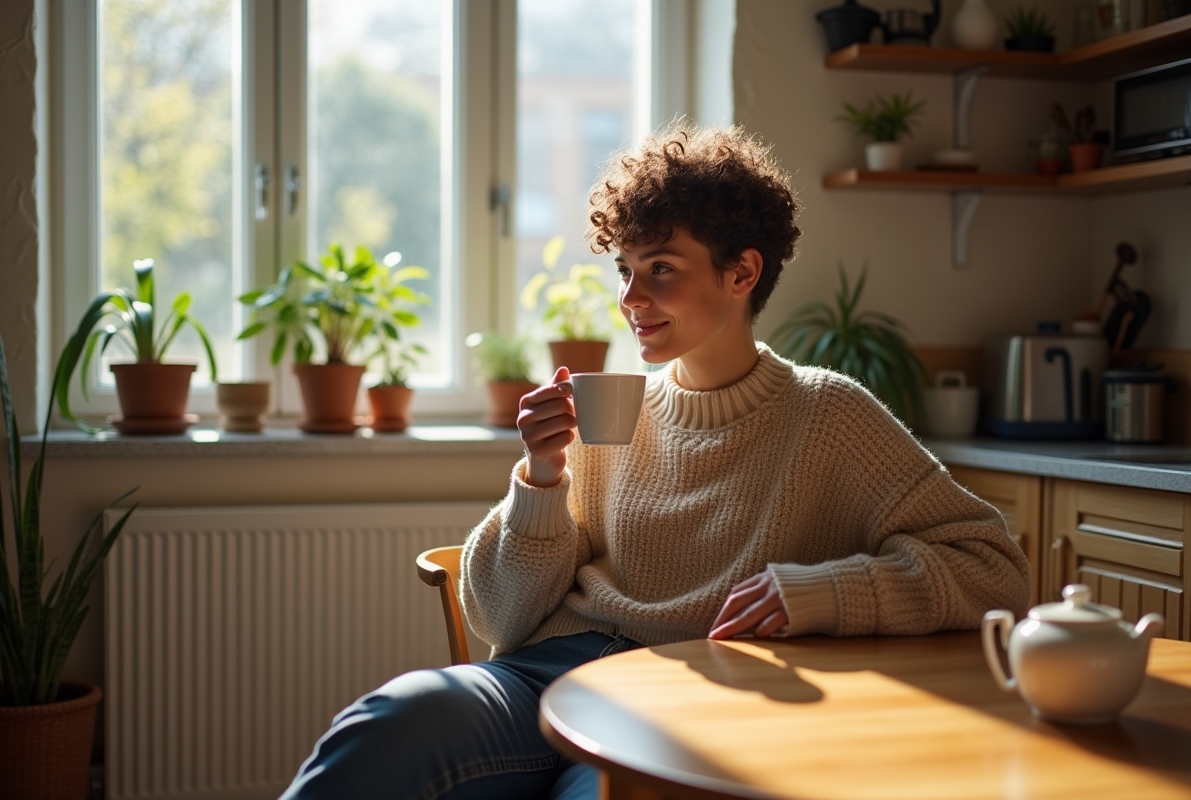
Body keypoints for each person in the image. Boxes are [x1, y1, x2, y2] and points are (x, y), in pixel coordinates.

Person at [280, 124, 1030, 800]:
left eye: (661, 269)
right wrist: (542, 478)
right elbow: (495, 618)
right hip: (545, 674)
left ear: (741, 274)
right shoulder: (613, 410)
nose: (631, 297)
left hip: (690, 703)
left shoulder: (828, 415)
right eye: (625, 270)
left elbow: (993, 566)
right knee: (393, 719)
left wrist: (823, 592)